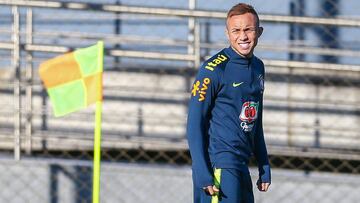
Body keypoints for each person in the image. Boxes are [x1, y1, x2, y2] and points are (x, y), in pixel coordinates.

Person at [186, 3, 271, 203]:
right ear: (227, 33)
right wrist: (202, 172)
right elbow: (194, 124)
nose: (243, 36)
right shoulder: (213, 69)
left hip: (242, 164)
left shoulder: (258, 67)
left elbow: (255, 120)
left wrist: (264, 163)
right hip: (219, 165)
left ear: (259, 31)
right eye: (236, 30)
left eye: (248, 30)